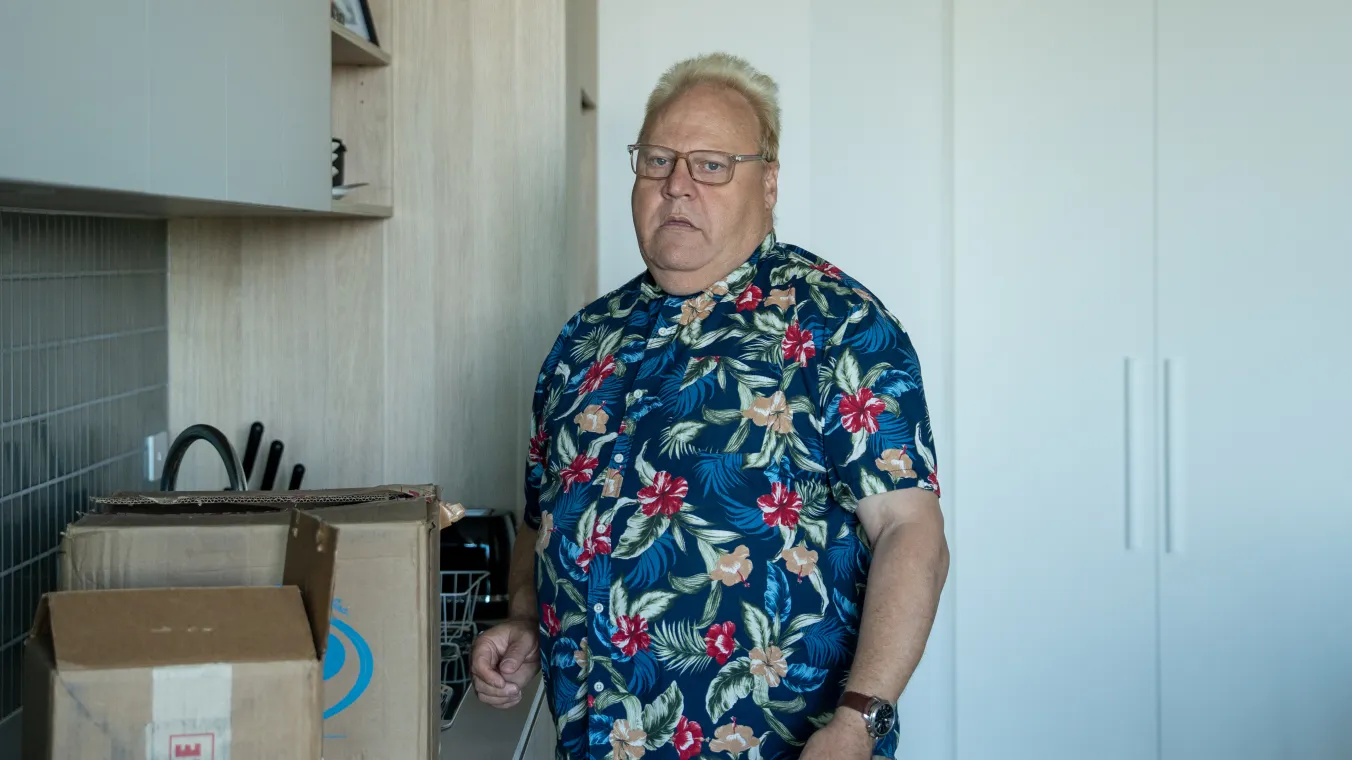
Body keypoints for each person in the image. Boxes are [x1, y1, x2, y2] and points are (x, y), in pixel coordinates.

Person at [471, 51, 949, 760]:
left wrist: (860, 718)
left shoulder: (840, 326)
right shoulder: (582, 341)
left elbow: (912, 533)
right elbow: (540, 524)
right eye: (657, 161)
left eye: (712, 165)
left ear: (769, 182)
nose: (677, 185)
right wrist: (523, 621)